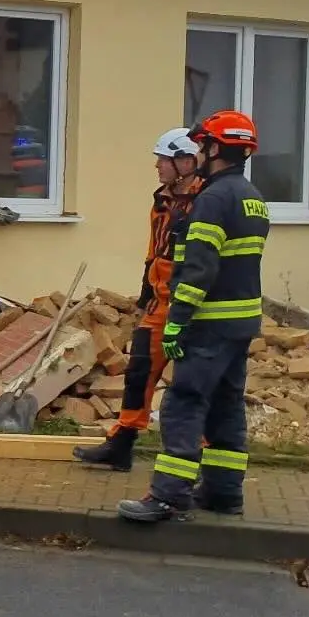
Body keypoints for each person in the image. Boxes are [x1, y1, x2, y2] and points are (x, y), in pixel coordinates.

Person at [119, 110, 270, 522]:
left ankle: (168, 496)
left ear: (216, 149)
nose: (199, 152)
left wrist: (177, 322)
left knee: (183, 404)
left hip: (208, 323)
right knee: (226, 405)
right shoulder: (253, 198)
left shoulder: (213, 199)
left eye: (203, 145)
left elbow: (198, 269)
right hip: (241, 323)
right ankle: (223, 492)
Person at [74, 127, 202, 471]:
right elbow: (154, 249)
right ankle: (121, 443)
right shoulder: (162, 200)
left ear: (187, 161)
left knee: (195, 381)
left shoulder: (207, 200)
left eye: (164, 159)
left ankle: (204, 456)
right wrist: (145, 290)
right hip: (162, 299)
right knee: (139, 370)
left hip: (193, 303)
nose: (158, 165)